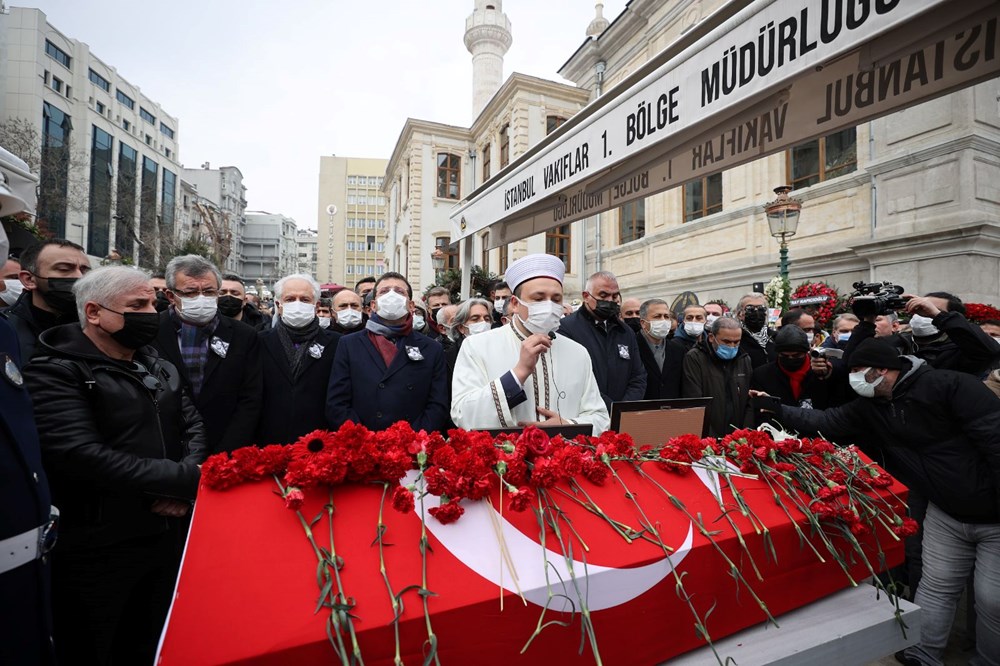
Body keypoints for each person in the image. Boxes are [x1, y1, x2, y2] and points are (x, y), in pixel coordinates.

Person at [753, 338, 1000, 666]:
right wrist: (777, 408)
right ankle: (922, 653)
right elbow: (826, 421)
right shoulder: (871, 406)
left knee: (992, 599)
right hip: (946, 511)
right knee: (936, 585)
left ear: (883, 369)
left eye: (857, 370)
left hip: (994, 515)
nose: (853, 378)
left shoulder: (950, 386)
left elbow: (994, 439)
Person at [23, 266, 207, 665]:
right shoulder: (55, 371)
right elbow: (80, 454)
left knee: (153, 643)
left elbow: (192, 426)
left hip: (165, 536)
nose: (151, 313)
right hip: (99, 545)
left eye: (153, 304)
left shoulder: (158, 365)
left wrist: (182, 486)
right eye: (137, 305)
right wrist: (183, 481)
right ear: (93, 312)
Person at [451, 254, 610, 434]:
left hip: (565, 456)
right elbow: (463, 414)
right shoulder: (477, 346)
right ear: (515, 304)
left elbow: (600, 417)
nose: (549, 306)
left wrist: (567, 425)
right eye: (538, 298)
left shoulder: (578, 352)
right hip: (505, 458)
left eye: (556, 299)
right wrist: (518, 374)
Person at [151, 255, 262, 454]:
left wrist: (228, 451)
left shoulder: (243, 335)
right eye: (191, 292)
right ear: (170, 295)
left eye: (209, 291)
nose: (201, 298)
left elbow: (250, 398)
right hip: (164, 447)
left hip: (224, 446)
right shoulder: (152, 331)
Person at [326, 272, 449, 433]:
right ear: (373, 305)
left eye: (399, 291)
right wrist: (363, 439)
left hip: (412, 445)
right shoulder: (349, 344)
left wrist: (413, 440)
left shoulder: (432, 348)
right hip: (364, 446)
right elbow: (337, 402)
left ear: (411, 305)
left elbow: (438, 404)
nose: (391, 295)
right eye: (384, 291)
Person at [257, 274, 341, 445]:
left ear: (316, 305)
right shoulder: (259, 341)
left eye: (304, 299)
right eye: (290, 299)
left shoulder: (337, 343)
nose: (297, 304)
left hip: (319, 443)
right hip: (269, 442)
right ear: (279, 305)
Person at [845, 291, 1000, 377]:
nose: (923, 314)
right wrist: (868, 320)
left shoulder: (960, 349)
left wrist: (937, 316)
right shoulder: (895, 343)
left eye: (930, 309)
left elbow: (990, 351)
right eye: (921, 307)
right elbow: (852, 361)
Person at [558, 270, 646, 410]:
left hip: (622, 416)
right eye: (603, 295)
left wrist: (624, 408)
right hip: (586, 416)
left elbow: (638, 376)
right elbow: (574, 379)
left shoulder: (625, 332)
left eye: (615, 296)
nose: (610, 301)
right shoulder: (566, 329)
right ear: (586, 296)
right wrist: (610, 409)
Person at [6, 239, 91, 362]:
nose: (79, 277)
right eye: (64, 269)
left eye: (85, 271)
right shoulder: (5, 327)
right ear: (29, 280)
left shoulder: (102, 328)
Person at [750, 325, 843, 424]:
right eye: (785, 356)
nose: (790, 359)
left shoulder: (822, 371)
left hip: (818, 431)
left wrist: (826, 375)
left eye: (796, 355)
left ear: (806, 352)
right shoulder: (762, 375)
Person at [682, 316, 752, 437]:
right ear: (711, 338)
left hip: (737, 436)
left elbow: (748, 400)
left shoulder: (744, 359)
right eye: (726, 342)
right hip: (708, 435)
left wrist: (744, 434)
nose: (731, 346)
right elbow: (694, 400)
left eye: (736, 342)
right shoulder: (695, 358)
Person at [636, 298, 685, 399]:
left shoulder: (678, 349)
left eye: (666, 316)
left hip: (670, 410)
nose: (663, 320)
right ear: (643, 323)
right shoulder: (632, 346)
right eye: (657, 316)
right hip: (641, 409)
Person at [444, 297, 492, 385]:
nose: (483, 322)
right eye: (475, 319)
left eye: (487, 318)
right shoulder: (449, 357)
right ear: (461, 327)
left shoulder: (497, 350)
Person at [735, 292, 773, 369]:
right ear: (740, 314)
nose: (756, 312)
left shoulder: (775, 337)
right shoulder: (736, 339)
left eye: (761, 308)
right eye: (750, 309)